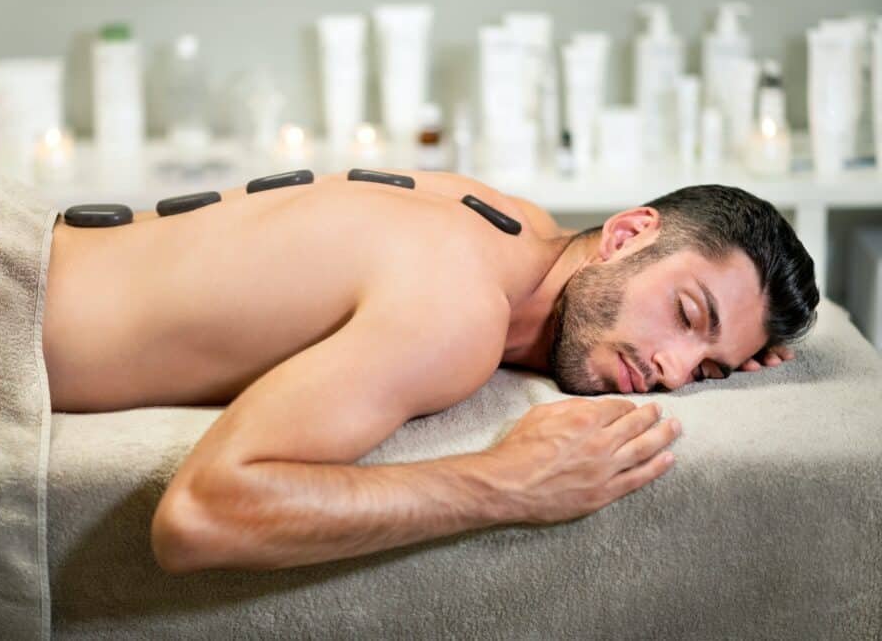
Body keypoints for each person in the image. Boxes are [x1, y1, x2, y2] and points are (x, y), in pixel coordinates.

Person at [40, 169, 818, 574]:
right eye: (686, 314)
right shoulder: (457, 311)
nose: (674, 371)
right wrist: (508, 482)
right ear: (625, 234)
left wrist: (728, 343)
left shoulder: (505, 218)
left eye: (710, 370)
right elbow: (200, 517)